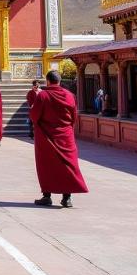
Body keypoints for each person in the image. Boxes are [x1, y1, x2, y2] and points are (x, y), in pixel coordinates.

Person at [31, 70, 89, 208]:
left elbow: (34, 116)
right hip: (65, 136)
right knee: (67, 165)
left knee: (46, 165)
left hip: (46, 136)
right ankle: (67, 198)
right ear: (60, 81)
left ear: (48, 81)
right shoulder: (70, 95)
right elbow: (74, 117)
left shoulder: (43, 95)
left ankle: (47, 196)